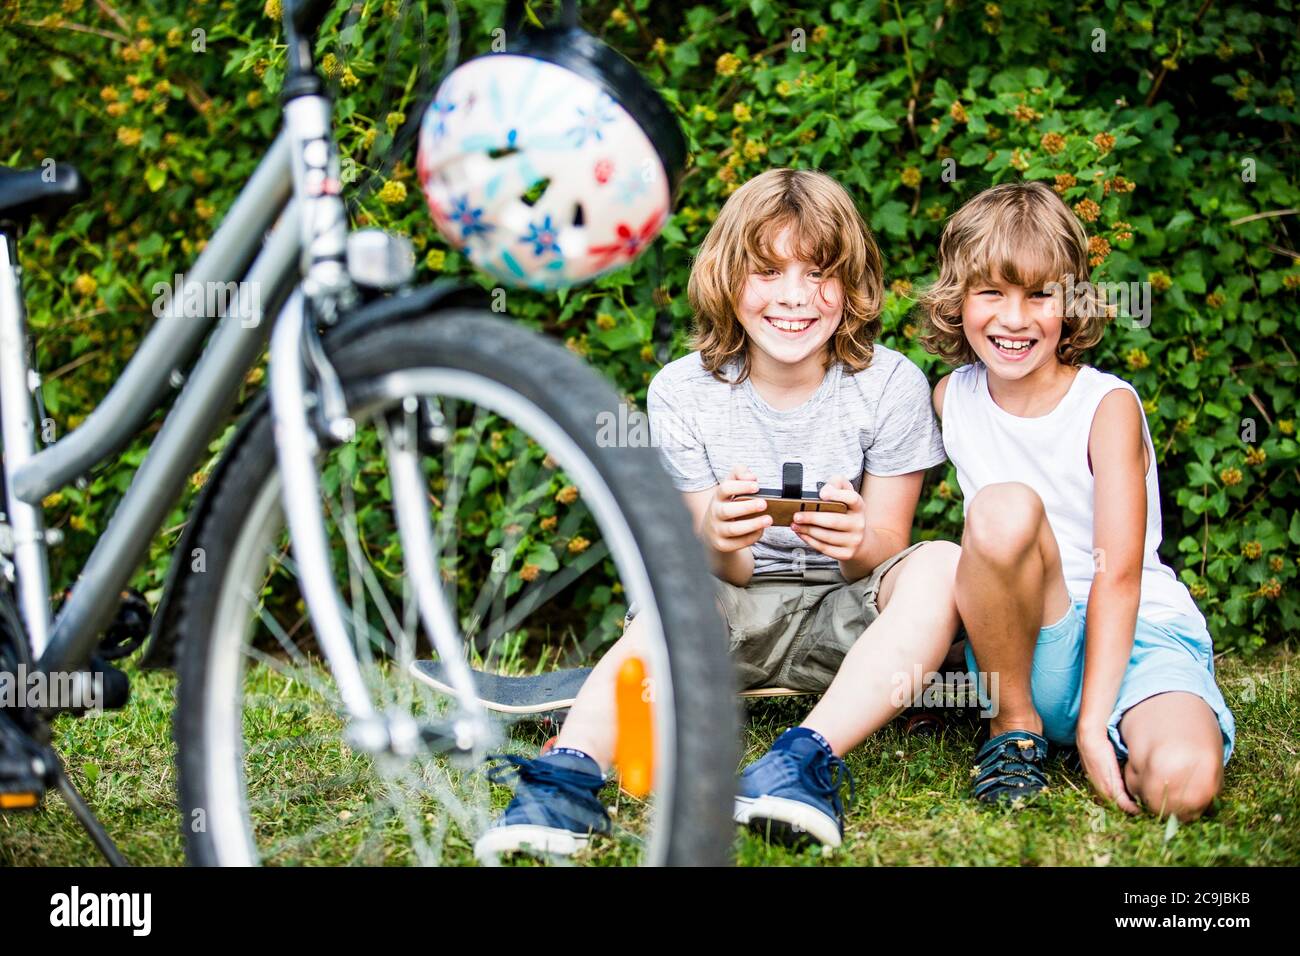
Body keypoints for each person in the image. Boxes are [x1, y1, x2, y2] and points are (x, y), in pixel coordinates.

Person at [477, 168, 958, 861]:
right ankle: (566, 777)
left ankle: (800, 761)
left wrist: (856, 543)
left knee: (943, 563)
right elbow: (716, 566)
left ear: (852, 286)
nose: (794, 297)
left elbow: (887, 544)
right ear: (729, 281)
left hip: (847, 625)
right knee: (676, 588)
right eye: (767, 271)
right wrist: (720, 537)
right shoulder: (682, 390)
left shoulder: (889, 384)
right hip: (725, 622)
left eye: (820, 272)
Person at [918, 180, 1234, 818]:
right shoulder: (951, 398)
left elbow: (1118, 574)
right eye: (991, 294)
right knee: (1003, 509)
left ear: (1072, 304)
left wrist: (1094, 724)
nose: (1014, 318)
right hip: (1031, 645)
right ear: (958, 301)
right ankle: (1013, 728)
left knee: (1184, 784)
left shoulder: (1106, 405)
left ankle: (1108, 729)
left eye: (1040, 295)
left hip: (1137, 636)